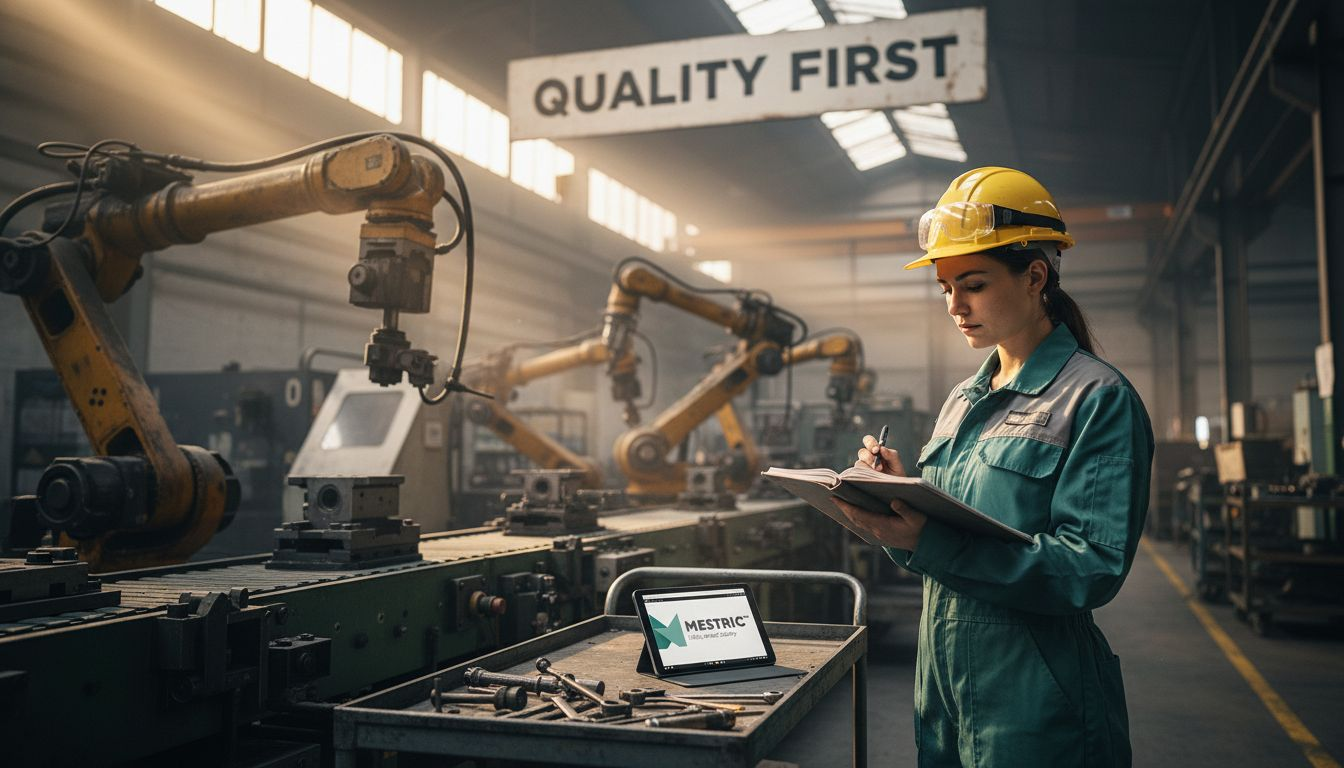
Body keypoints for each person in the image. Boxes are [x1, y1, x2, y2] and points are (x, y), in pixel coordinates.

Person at [834, 167, 1153, 767]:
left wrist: (931, 540)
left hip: (1035, 701)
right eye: (945, 287)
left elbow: (1091, 568)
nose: (955, 305)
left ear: (1035, 277)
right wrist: (896, 501)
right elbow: (937, 544)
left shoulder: (1096, 399)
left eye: (973, 284)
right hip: (944, 691)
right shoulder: (965, 398)